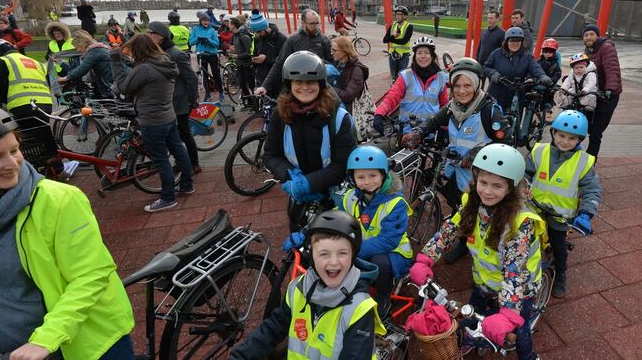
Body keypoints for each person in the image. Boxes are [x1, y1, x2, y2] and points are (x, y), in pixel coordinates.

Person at [0, 108, 136, 360]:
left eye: (14, 150)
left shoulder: (58, 200)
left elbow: (91, 273)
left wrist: (47, 339)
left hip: (84, 343)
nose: (11, 164)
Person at [410, 143, 543, 360]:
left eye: (497, 186)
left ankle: (529, 356)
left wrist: (509, 311)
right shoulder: (472, 201)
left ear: (511, 188)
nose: (487, 191)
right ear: (475, 179)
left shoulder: (521, 223)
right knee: (469, 315)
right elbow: (449, 230)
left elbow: (514, 271)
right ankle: (472, 340)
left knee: (520, 331)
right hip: (483, 279)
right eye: (483, 182)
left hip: (519, 289)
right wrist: (426, 258)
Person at [230, 211, 384, 359]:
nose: (334, 262)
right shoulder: (297, 289)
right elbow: (272, 329)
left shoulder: (359, 310)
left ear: (353, 255)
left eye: (342, 253)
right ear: (311, 256)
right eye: (324, 254)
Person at [262, 51, 356, 231]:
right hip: (298, 195)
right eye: (298, 82)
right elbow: (271, 155)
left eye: (311, 82)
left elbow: (343, 164)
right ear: (289, 84)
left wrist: (309, 184)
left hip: (333, 195)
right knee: (298, 238)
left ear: (321, 84)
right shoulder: (280, 114)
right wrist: (290, 175)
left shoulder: (338, 117)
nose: (305, 87)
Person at [402, 58, 507, 212]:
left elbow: (505, 144)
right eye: (457, 86)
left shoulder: (490, 111)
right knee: (456, 211)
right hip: (456, 174)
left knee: (473, 217)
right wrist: (417, 133)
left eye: (467, 85)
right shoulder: (452, 107)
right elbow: (433, 122)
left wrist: (476, 155)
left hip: (480, 182)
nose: (461, 91)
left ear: (477, 84)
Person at [111, 34, 194, 212]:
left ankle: (168, 198)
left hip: (152, 121)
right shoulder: (165, 61)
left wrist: (116, 62)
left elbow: (124, 88)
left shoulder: (144, 69)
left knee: (161, 160)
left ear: (139, 51)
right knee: (179, 150)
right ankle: (187, 185)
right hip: (169, 116)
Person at [525, 110, 601, 298]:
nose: (565, 141)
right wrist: (520, 187)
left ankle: (560, 273)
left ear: (580, 140)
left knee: (559, 246)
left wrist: (586, 213)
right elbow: (524, 173)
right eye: (561, 135)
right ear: (553, 133)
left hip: (560, 216)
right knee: (522, 239)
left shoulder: (583, 162)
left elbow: (592, 189)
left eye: (572, 138)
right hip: (533, 208)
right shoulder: (539, 151)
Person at [332, 145, 412, 317]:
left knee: (379, 262)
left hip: (394, 251)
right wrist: (309, 232)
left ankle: (384, 296)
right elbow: (335, 219)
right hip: (363, 246)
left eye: (373, 175)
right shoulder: (350, 198)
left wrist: (355, 250)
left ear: (383, 175)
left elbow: (389, 240)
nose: (367, 181)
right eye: (360, 176)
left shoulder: (395, 202)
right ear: (352, 177)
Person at [147, 21, 202, 175]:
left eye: (152, 34)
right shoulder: (158, 53)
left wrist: (192, 100)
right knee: (174, 136)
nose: (149, 36)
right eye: (149, 33)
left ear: (161, 37)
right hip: (166, 102)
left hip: (179, 102)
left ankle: (194, 163)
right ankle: (181, 161)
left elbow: (191, 78)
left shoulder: (176, 54)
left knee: (184, 133)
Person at [373, 36, 449, 135]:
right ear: (415, 56)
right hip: (407, 131)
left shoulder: (441, 77)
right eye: (419, 53)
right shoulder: (406, 75)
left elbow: (445, 106)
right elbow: (392, 97)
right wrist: (379, 114)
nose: (423, 56)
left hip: (430, 131)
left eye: (426, 52)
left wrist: (446, 127)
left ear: (432, 56)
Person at [257, 9, 333, 98]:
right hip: (297, 86)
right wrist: (265, 86)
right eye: (312, 23)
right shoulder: (292, 41)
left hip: (317, 86)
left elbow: (333, 63)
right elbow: (280, 63)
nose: (316, 26)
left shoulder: (324, 40)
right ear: (303, 23)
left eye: (318, 23)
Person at [483, 27, 552, 110]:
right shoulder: (496, 53)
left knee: (515, 119)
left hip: (517, 94)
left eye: (518, 40)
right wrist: (493, 74)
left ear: (521, 42)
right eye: (512, 40)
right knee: (493, 119)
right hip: (497, 93)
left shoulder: (527, 57)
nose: (515, 43)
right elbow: (486, 67)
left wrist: (542, 76)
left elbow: (536, 68)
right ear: (506, 41)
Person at [581, 23, 622, 158]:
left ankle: (591, 163)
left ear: (597, 35)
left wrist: (610, 89)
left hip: (607, 95)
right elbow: (582, 70)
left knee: (596, 132)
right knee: (583, 125)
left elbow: (612, 69)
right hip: (593, 95)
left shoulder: (606, 47)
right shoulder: (588, 51)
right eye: (586, 35)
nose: (588, 37)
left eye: (592, 34)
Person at [0, 40, 53, 129]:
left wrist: (4, 102)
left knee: (26, 137)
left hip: (21, 105)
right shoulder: (35, 62)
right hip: (46, 104)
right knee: (43, 135)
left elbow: (0, 86)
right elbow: (48, 83)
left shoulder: (2, 61)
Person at [57, 30, 118, 99]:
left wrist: (65, 78)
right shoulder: (98, 48)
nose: (77, 50)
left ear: (81, 44)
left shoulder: (95, 51)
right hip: (109, 83)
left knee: (112, 105)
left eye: (77, 47)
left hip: (109, 85)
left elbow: (82, 69)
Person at [330, 36, 368, 114]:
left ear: (345, 51)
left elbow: (348, 96)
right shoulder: (338, 63)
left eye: (334, 50)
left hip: (351, 113)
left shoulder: (357, 70)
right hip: (340, 108)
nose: (331, 53)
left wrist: (329, 88)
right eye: (331, 49)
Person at [189, 13, 223, 101]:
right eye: (204, 21)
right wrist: (198, 39)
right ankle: (207, 94)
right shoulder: (195, 29)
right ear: (200, 21)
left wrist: (208, 41)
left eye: (208, 21)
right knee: (203, 75)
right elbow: (191, 42)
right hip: (201, 55)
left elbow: (217, 44)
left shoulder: (212, 30)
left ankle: (221, 92)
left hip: (211, 54)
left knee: (216, 74)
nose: (206, 22)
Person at [556, 53, 598, 118]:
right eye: (576, 68)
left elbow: (591, 83)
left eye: (581, 67)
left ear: (586, 66)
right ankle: (566, 105)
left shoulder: (590, 74)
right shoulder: (572, 75)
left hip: (587, 92)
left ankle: (589, 107)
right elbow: (567, 82)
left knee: (590, 97)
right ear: (573, 68)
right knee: (567, 95)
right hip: (575, 91)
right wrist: (563, 89)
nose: (579, 69)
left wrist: (585, 90)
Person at [383, 6, 413, 81]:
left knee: (402, 76)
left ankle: (402, 90)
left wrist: (391, 39)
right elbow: (385, 40)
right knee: (394, 76)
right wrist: (393, 36)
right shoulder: (392, 26)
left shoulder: (409, 26)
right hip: (392, 54)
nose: (398, 16)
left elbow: (404, 41)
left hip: (404, 55)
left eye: (400, 14)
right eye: (397, 14)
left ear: (405, 16)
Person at [229, 17, 254, 96]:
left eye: (229, 24)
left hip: (247, 64)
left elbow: (249, 52)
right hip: (239, 64)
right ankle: (249, 102)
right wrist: (233, 50)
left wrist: (237, 55)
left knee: (251, 85)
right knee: (242, 85)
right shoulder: (235, 36)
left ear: (233, 25)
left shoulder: (243, 36)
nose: (228, 26)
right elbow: (238, 48)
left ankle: (256, 103)